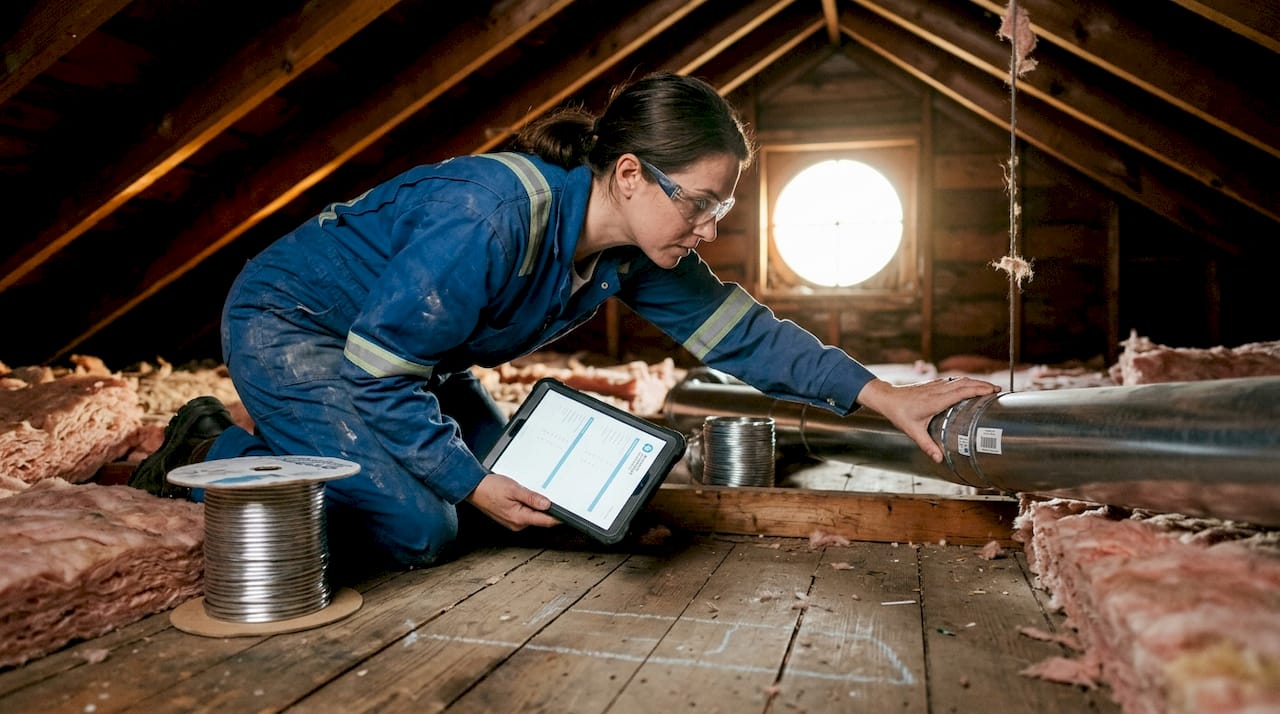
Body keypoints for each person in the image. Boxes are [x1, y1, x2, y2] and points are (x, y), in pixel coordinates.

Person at [129, 72, 999, 570]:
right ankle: (208, 444)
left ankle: (386, 470)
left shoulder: (632, 249)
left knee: (528, 485)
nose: (707, 230)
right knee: (422, 528)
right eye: (698, 203)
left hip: (412, 357)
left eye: (721, 212)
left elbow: (747, 336)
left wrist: (887, 397)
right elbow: (380, 368)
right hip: (299, 328)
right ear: (628, 175)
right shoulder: (490, 213)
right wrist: (464, 485)